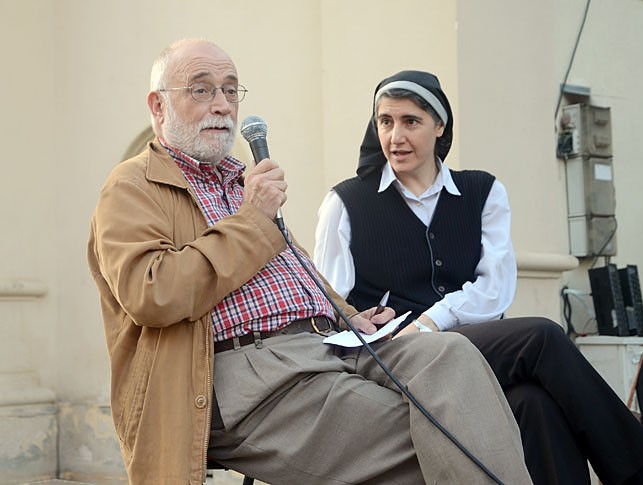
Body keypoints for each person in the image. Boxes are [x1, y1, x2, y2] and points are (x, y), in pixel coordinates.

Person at [87, 39, 533, 485]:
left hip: (330, 344)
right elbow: (153, 294)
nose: (222, 105)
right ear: (158, 105)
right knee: (435, 432)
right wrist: (252, 219)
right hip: (249, 373)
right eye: (201, 90)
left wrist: (353, 315)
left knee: (453, 355)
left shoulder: (241, 181)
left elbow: (300, 274)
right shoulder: (132, 185)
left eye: (230, 90)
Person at [314, 69, 643, 485]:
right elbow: (325, 302)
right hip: (395, 358)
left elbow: (495, 290)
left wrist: (428, 323)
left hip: (468, 348)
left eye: (410, 122)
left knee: (533, 401)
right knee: (543, 338)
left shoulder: (482, 192)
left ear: (440, 126)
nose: (395, 136)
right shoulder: (345, 203)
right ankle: (641, 471)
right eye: (385, 121)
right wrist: (359, 318)